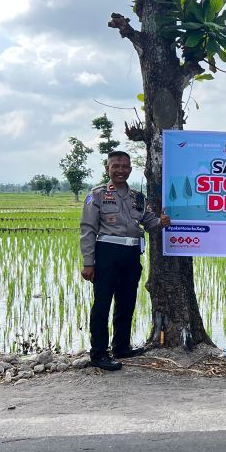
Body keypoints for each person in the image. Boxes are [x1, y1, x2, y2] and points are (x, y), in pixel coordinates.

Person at [79, 150, 170, 370]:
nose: (121, 170)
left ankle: (121, 347)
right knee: (102, 304)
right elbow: (88, 229)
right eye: (115, 166)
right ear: (107, 168)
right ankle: (99, 353)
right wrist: (88, 262)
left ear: (130, 169)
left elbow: (148, 223)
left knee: (126, 301)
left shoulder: (137, 197)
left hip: (130, 255)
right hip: (107, 253)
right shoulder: (97, 194)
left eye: (125, 166)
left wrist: (161, 222)